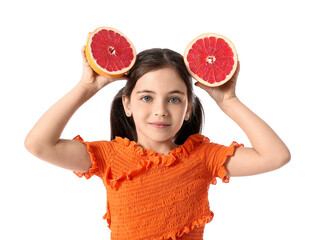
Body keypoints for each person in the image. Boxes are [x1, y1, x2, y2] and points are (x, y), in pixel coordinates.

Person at [25, 45, 290, 240]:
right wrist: (86, 87)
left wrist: (228, 101)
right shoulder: (110, 157)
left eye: (174, 99)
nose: (160, 110)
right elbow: (38, 144)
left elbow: (275, 156)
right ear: (126, 104)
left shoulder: (203, 156)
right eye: (147, 98)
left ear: (188, 109)